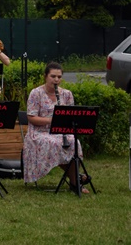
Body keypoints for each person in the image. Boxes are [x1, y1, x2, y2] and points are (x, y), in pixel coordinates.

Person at [23, 62, 89, 193]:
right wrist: (51, 121)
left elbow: (71, 116)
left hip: (61, 131)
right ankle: (77, 181)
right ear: (45, 76)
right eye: (53, 76)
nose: (56, 80)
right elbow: (31, 118)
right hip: (39, 132)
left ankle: (75, 179)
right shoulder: (36, 93)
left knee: (74, 142)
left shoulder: (67, 94)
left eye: (59, 77)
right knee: (54, 143)